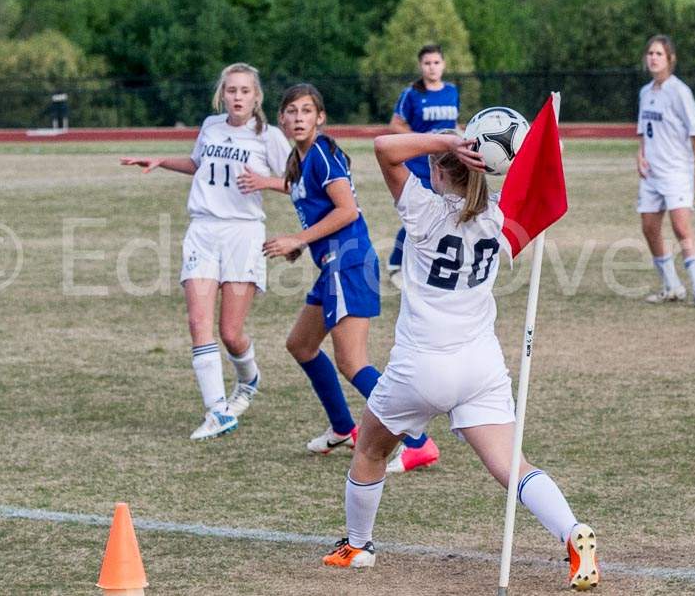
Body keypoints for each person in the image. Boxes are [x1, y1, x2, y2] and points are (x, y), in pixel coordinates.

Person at [321, 131, 600, 592]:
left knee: (370, 450)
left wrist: (444, 139)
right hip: (480, 366)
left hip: (422, 365)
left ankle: (358, 546)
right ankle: (572, 532)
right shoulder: (496, 217)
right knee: (514, 467)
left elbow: (384, 148)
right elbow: (527, 208)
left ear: (436, 169)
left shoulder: (423, 209)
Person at [239, 83, 439, 470]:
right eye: (292, 112)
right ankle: (344, 428)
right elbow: (312, 203)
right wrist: (301, 244)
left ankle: (418, 442)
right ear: (281, 119)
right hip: (332, 265)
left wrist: (298, 237)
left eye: (306, 111)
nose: (298, 118)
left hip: (347, 263)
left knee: (352, 362)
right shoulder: (300, 161)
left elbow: (347, 211)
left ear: (320, 117)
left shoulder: (323, 152)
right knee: (300, 344)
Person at [121, 62, 290, 440]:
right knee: (198, 323)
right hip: (203, 230)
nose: (238, 97)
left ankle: (248, 381)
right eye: (231, 90)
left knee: (231, 333)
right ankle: (217, 410)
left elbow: (296, 183)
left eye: (245, 91)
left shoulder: (268, 136)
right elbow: (199, 164)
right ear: (222, 94)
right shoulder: (210, 126)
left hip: (243, 234)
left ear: (256, 96)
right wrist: (161, 161)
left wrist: (265, 181)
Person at [636, 34, 695, 307]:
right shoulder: (646, 92)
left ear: (670, 59)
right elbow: (645, 132)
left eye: (659, 54)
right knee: (649, 228)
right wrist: (640, 156)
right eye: (650, 53)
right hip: (652, 174)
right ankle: (671, 286)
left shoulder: (680, 91)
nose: (653, 58)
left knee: (681, 227)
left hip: (677, 172)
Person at [386, 44, 460, 288]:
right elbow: (395, 125)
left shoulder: (451, 91)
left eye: (436, 62)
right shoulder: (412, 94)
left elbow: (453, 123)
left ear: (444, 64)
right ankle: (396, 263)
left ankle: (433, 262)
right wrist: (421, 140)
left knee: (447, 211)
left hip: (447, 163)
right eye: (427, 63)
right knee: (418, 214)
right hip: (420, 163)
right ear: (421, 66)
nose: (432, 67)